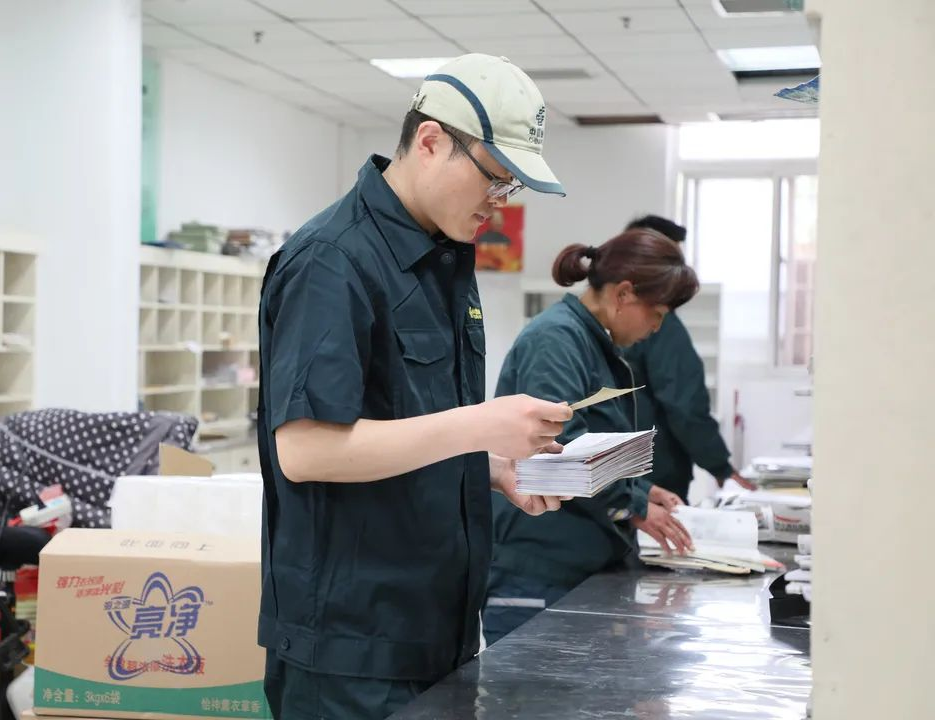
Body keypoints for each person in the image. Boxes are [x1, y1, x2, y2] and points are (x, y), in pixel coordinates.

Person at [257, 54, 574, 720]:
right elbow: (306, 451)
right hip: (352, 656)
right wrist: (479, 425)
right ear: (430, 141)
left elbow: (405, 424)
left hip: (436, 634)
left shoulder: (442, 258)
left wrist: (489, 468)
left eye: (512, 186)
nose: (500, 201)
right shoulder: (333, 261)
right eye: (495, 177)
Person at [484, 228, 698, 644]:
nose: (657, 327)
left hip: (576, 560)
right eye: (657, 313)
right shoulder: (555, 340)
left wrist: (642, 488)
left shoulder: (593, 342)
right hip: (539, 563)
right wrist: (635, 505)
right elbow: (561, 448)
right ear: (624, 294)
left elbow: (597, 441)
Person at [622, 215, 754, 501]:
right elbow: (684, 404)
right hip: (653, 474)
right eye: (670, 260)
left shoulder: (611, 320)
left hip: (622, 472)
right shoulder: (659, 325)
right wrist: (721, 467)